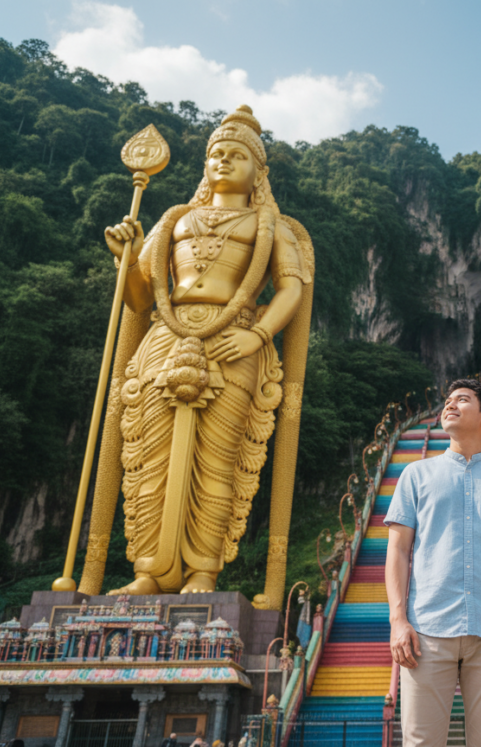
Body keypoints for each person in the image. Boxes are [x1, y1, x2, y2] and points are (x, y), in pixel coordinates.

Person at [103, 105, 311, 595]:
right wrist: (125, 259)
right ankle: (148, 572)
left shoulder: (271, 225)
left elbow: (291, 289)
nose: (223, 161)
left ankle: (203, 571)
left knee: (217, 458)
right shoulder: (175, 218)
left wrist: (258, 336)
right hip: (166, 339)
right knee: (151, 456)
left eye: (237, 155)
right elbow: (138, 297)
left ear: (258, 172)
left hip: (234, 341)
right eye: (216, 153)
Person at [385, 379, 481, 746]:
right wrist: (397, 620)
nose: (450, 405)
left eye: (462, 400)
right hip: (427, 629)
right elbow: (398, 551)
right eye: (448, 401)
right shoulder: (415, 475)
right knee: (420, 741)